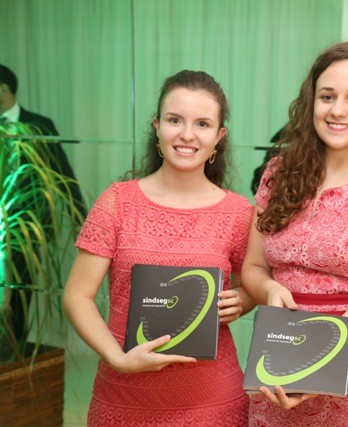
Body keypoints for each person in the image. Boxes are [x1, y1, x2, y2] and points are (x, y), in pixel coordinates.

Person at [63, 70, 254, 426]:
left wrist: (242, 300)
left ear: (219, 136)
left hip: (213, 402)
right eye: (174, 120)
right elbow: (77, 296)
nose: (186, 134)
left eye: (202, 124)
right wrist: (117, 359)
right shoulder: (116, 202)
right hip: (124, 396)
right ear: (157, 126)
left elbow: (254, 285)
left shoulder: (239, 212)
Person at [241, 41, 348, 426]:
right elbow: (252, 267)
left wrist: (311, 363)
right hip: (277, 372)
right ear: (311, 103)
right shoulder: (277, 172)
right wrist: (267, 290)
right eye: (327, 96)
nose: (338, 110)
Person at [0, 64, 85, 342]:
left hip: (27, 226)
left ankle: (16, 347)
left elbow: (62, 172)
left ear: (5, 90)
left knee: (22, 287)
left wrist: (79, 218)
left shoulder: (39, 124)